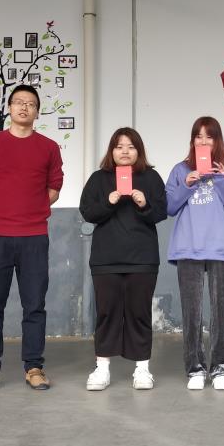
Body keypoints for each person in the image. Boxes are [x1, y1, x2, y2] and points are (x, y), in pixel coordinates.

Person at [0, 84, 63, 393]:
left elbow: (54, 187)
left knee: (34, 305)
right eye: (19, 102)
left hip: (34, 236)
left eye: (31, 104)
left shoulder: (49, 147)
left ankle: (34, 367)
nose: (24, 107)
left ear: (37, 112)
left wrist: (32, 210)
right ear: (9, 108)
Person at [79, 127, 167, 391]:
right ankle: (102, 368)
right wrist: (109, 201)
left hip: (142, 258)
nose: (125, 151)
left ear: (138, 150)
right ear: (112, 151)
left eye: (130, 146)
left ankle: (142, 369)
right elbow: (88, 212)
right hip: (106, 259)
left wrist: (144, 203)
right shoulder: (99, 179)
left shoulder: (150, 177)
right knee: (107, 313)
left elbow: (161, 212)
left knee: (139, 313)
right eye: (119, 146)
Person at [166, 116, 224, 390]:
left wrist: (221, 179)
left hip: (220, 248)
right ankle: (195, 370)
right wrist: (187, 184)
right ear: (192, 140)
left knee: (221, 310)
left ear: (217, 140)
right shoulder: (180, 169)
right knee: (191, 312)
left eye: (209, 136)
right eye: (198, 136)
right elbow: (169, 207)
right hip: (188, 247)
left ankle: (220, 369)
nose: (203, 141)